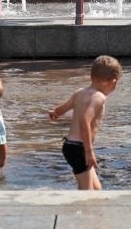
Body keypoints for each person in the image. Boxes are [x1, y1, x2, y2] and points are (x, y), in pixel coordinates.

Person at [47, 55, 122, 190]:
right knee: (87, 193)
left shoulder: (80, 92)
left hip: (70, 146)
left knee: (97, 189)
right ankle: (81, 210)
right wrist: (89, 152)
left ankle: (91, 209)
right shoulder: (99, 98)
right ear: (113, 81)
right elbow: (84, 121)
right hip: (79, 148)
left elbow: (62, 109)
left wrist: (55, 113)